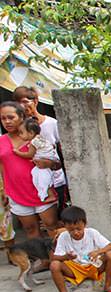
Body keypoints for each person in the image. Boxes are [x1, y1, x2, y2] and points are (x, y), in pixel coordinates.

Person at [0, 101, 59, 239]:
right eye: (3, 118)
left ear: (21, 116)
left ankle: (56, 258)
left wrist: (47, 163)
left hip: (41, 190)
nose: (7, 121)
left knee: (51, 225)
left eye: (11, 117)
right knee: (30, 229)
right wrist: (5, 190)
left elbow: (57, 164)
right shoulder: (1, 142)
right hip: (16, 192)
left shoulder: (36, 137)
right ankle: (43, 260)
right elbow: (2, 168)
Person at [13, 86, 69, 210]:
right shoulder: (17, 128)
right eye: (18, 104)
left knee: (59, 216)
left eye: (25, 102)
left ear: (36, 101)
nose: (22, 106)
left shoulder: (52, 124)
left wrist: (51, 164)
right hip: (30, 183)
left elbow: (64, 154)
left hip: (56, 180)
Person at [51, 205, 111, 292]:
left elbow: (110, 246)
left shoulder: (92, 232)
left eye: (78, 229)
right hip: (75, 268)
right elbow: (54, 257)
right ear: (65, 227)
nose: (76, 232)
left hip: (94, 265)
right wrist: (66, 257)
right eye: (71, 230)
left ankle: (107, 286)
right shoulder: (63, 236)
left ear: (84, 224)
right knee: (54, 265)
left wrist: (97, 252)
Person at [13, 118, 59, 203]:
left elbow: (29, 155)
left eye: (21, 133)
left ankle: (51, 195)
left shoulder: (34, 142)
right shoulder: (40, 138)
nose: (19, 135)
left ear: (31, 133)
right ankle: (47, 194)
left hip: (45, 162)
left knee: (42, 179)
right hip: (50, 159)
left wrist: (17, 152)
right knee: (37, 174)